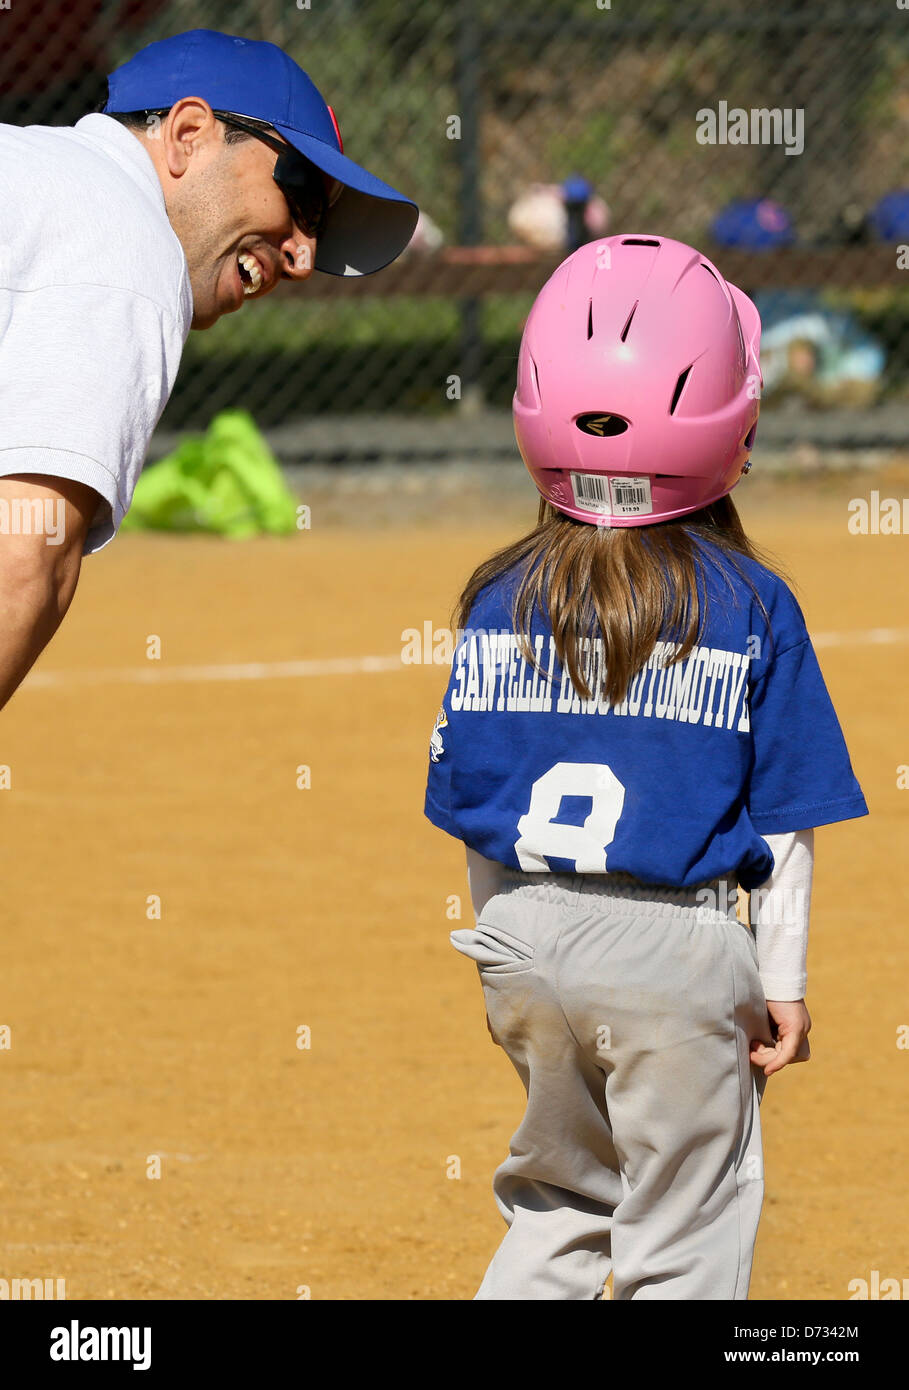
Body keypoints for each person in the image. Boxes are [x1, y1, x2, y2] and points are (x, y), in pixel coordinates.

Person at [423, 233, 868, 1301]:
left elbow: (480, 821)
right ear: (736, 430)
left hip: (523, 940)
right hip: (675, 951)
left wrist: (511, 947)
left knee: (559, 1207)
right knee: (686, 1227)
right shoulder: (754, 603)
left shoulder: (497, 596)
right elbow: (786, 824)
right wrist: (783, 986)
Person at [0, 29, 418, 709]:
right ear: (189, 134)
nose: (304, 257)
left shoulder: (40, 179)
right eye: (303, 195)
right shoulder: (123, 239)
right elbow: (23, 562)